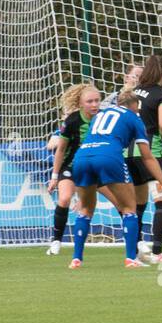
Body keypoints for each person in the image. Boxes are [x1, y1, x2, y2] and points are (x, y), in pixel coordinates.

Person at [69, 91, 162, 269]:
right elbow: (148, 157)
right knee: (129, 209)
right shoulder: (134, 117)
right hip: (109, 156)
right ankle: (130, 259)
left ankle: (76, 259)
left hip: (82, 156)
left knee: (86, 209)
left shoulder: (100, 115)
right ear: (136, 105)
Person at [127, 54, 162, 264]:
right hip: (152, 151)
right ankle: (157, 252)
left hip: (129, 152)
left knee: (138, 205)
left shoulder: (132, 93)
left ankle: (137, 249)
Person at [46, 83, 102, 255]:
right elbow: (61, 149)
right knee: (64, 199)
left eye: (97, 101)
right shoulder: (72, 121)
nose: (94, 105)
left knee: (120, 202)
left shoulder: (103, 119)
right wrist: (55, 176)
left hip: (94, 167)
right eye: (90, 101)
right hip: (70, 166)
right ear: (80, 103)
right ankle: (56, 241)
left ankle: (136, 243)